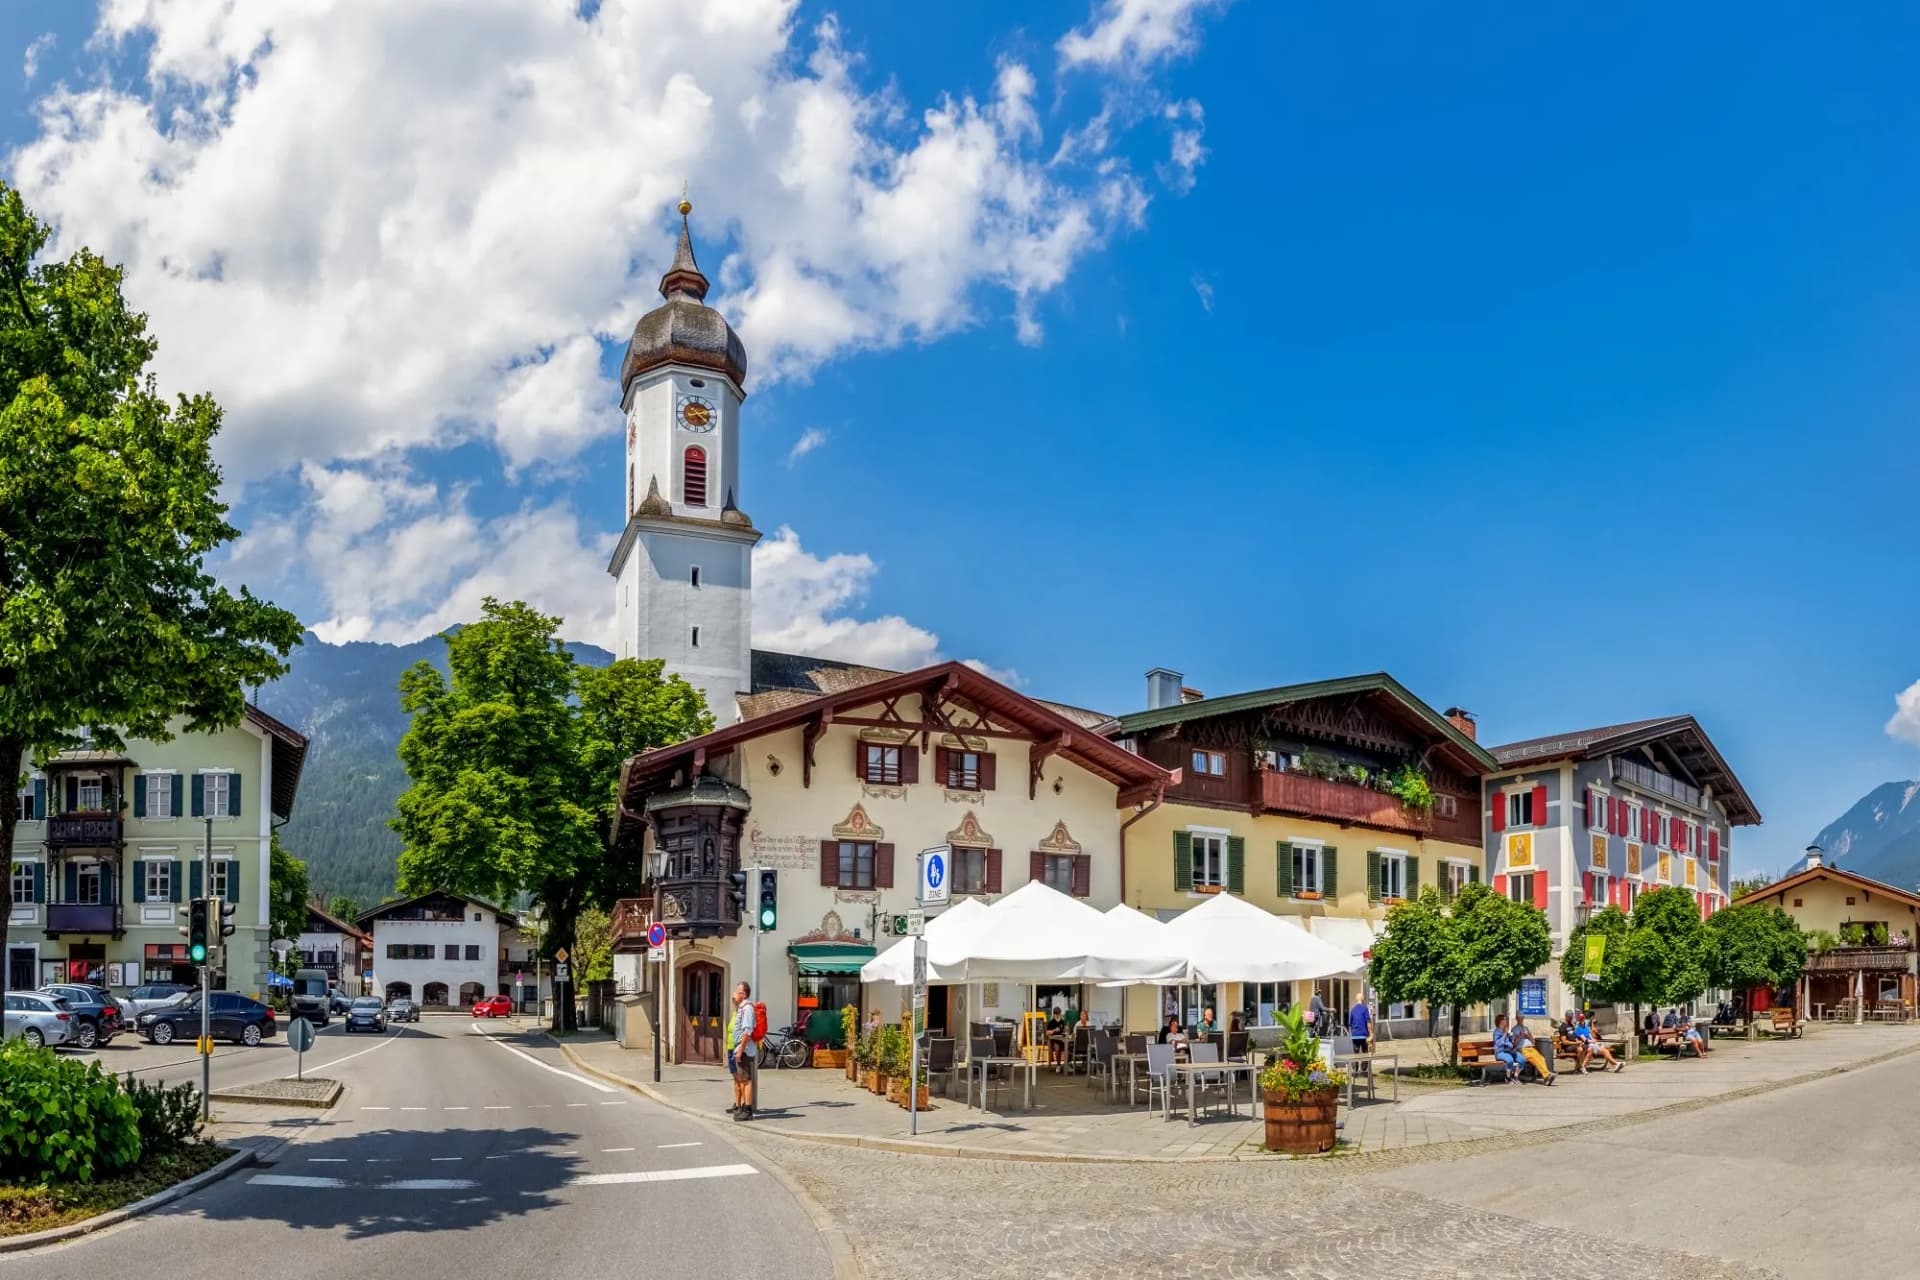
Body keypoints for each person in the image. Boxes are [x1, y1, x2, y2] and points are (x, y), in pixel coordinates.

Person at [730, 981, 758, 1120]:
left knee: (746, 1080)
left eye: (738, 991)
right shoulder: (742, 1007)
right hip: (741, 1048)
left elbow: (747, 1031)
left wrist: (741, 1050)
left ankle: (748, 1111)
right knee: (742, 1079)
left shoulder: (747, 1008)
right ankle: (744, 1108)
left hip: (745, 1049)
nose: (736, 993)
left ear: (744, 994)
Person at [1510, 1016, 1555, 1085]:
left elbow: (1533, 1041)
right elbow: (1514, 1044)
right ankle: (1547, 1076)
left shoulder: (1526, 1028)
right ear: (1516, 1019)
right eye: (1519, 1018)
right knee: (1534, 1058)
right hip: (1521, 1049)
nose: (1521, 1019)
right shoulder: (1514, 1029)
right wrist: (1520, 1036)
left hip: (1530, 1047)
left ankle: (1547, 1077)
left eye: (1522, 1018)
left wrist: (1529, 1036)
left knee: (1541, 1058)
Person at [1490, 1013, 1521, 1083]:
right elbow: (1498, 1044)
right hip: (1500, 1052)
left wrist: (1513, 1039)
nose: (1506, 1020)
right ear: (1500, 1021)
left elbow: (1511, 1044)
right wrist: (1505, 1034)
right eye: (1505, 1019)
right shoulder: (1496, 1032)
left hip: (1509, 1051)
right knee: (1510, 1060)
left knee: (1522, 1059)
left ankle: (1515, 1076)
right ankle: (1508, 1077)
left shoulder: (1507, 1032)